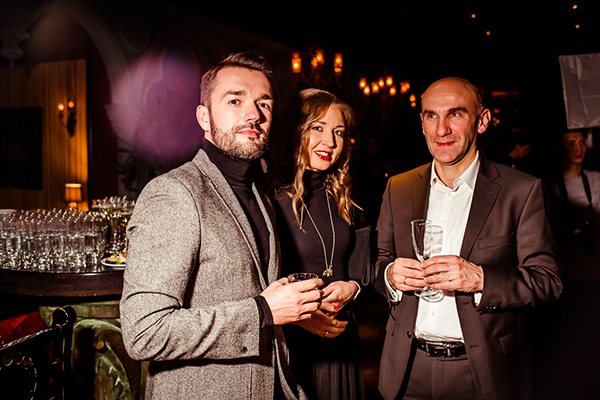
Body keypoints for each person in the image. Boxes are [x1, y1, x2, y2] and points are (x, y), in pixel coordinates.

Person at [120, 52, 323, 400]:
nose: (254, 114)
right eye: (235, 100)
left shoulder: (261, 198)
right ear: (204, 117)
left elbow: (255, 297)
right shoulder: (174, 193)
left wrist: (295, 312)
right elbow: (144, 332)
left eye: (264, 104)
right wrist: (262, 312)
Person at [374, 77, 563, 400]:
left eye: (455, 114)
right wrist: (390, 275)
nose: (441, 129)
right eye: (431, 116)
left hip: (483, 373)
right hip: (407, 370)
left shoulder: (521, 191)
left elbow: (548, 281)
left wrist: (480, 279)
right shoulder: (399, 187)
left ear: (482, 121)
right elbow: (379, 261)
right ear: (422, 123)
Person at [269, 88, 367, 399]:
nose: (330, 142)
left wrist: (353, 287)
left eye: (338, 132)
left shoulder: (345, 194)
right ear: (296, 131)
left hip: (341, 335)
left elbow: (364, 264)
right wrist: (303, 318)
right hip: (293, 338)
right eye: (318, 128)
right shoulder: (270, 197)